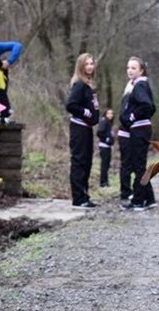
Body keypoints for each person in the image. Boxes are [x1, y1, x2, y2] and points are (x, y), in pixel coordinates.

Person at [119, 56, 157, 211]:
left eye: (134, 68)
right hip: (139, 129)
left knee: (139, 166)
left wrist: (132, 117)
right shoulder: (136, 85)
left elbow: (148, 106)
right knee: (139, 165)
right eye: (128, 67)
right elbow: (151, 107)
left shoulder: (140, 85)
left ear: (141, 70)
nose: (130, 70)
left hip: (140, 128)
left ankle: (138, 201)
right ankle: (149, 199)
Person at [65, 53, 100, 209]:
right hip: (78, 128)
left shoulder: (89, 85)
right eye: (87, 64)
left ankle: (84, 196)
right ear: (81, 66)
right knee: (79, 162)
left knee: (87, 162)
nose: (90, 67)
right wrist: (86, 112)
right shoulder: (79, 84)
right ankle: (78, 198)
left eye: (92, 63)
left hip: (87, 129)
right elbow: (71, 105)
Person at [96, 109, 115, 187]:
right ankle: (103, 182)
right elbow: (99, 132)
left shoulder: (109, 123)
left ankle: (106, 181)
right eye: (108, 113)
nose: (110, 115)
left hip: (107, 146)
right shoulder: (104, 121)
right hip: (104, 146)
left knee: (106, 165)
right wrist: (106, 140)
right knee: (104, 165)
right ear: (105, 114)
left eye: (112, 114)